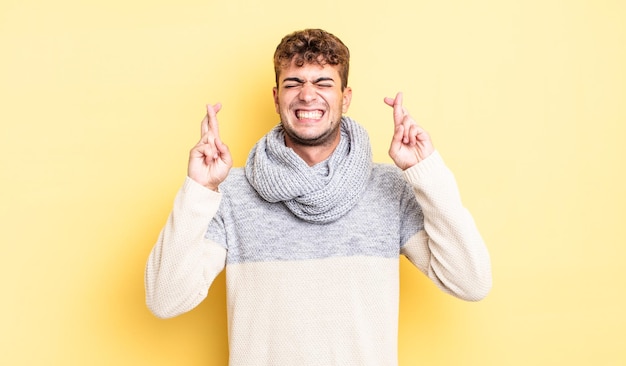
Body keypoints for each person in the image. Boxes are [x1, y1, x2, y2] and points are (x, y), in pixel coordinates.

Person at [145, 28, 492, 365]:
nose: (308, 95)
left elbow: (470, 281)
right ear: (276, 96)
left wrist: (427, 173)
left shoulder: (390, 187)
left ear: (346, 96)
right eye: (293, 83)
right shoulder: (231, 193)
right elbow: (165, 299)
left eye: (323, 82)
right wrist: (198, 190)